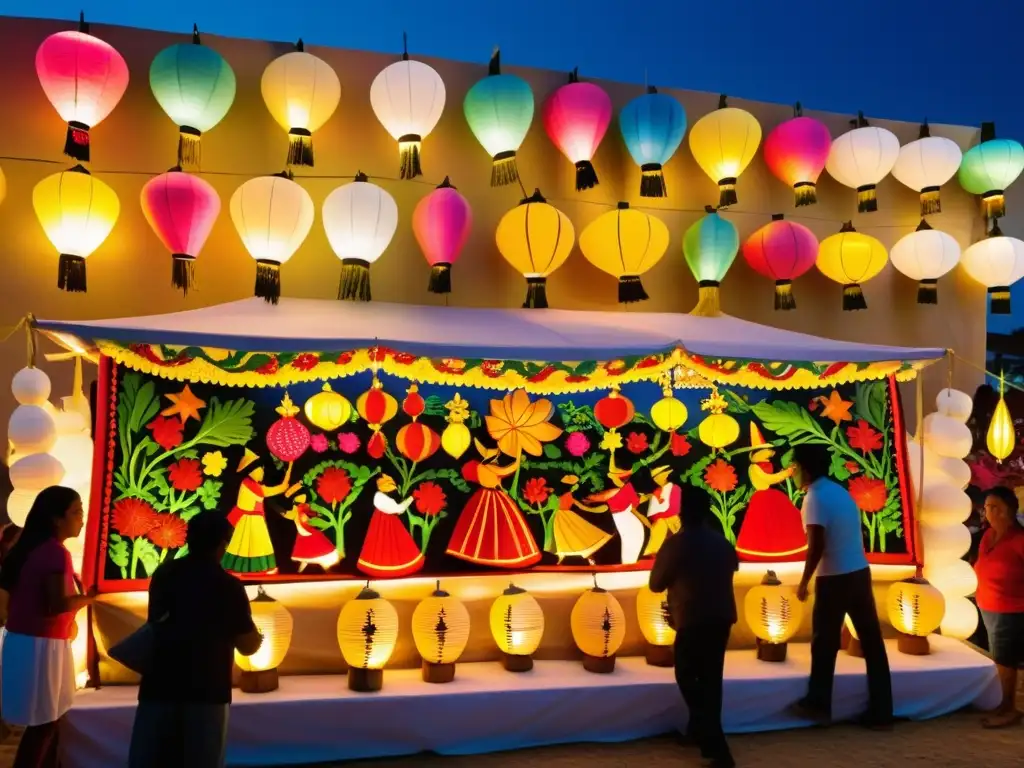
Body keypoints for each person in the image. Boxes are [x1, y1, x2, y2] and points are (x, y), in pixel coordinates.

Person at [128, 513, 262, 768]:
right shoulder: (227, 585)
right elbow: (248, 644)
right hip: (206, 689)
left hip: (160, 684)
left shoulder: (165, 574)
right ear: (224, 543)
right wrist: (260, 637)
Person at [789, 443, 893, 729]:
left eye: (795, 467)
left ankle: (818, 702)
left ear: (805, 469)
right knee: (871, 642)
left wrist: (803, 582)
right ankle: (882, 711)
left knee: (824, 642)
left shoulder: (815, 498)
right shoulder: (838, 492)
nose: (792, 472)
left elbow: (816, 545)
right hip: (858, 572)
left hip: (834, 577)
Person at [0, 486, 91, 768]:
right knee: (44, 724)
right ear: (56, 519)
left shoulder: (30, 548)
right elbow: (55, 604)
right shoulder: (54, 553)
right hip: (41, 645)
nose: (82, 518)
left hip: (28, 642)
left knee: (45, 723)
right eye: (76, 512)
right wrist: (91, 597)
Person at [650, 485, 738, 768]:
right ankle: (696, 731)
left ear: (682, 512)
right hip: (721, 616)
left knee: (687, 676)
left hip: (692, 617)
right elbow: (732, 567)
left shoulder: (676, 543)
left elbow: (656, 584)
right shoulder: (721, 542)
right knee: (711, 680)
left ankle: (715, 743)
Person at [973, 486, 1024, 728]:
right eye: (987, 507)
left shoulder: (1019, 539)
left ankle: (1009, 707)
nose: (990, 512)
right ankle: (1003, 703)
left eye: (996, 508)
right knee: (998, 657)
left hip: (1011, 607)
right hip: (988, 604)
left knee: (1006, 659)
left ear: (1010, 510)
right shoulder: (988, 535)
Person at [735, 423, 807, 561]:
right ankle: (762, 551)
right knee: (762, 524)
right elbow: (768, 479)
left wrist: (785, 473)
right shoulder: (755, 468)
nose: (768, 453)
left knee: (782, 520)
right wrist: (786, 473)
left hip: (770, 495)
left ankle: (787, 548)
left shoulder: (764, 465)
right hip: (763, 497)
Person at [357, 475, 423, 578]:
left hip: (388, 522)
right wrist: (412, 497)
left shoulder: (383, 496)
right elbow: (399, 509)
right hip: (385, 524)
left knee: (389, 546)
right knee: (384, 546)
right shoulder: (380, 497)